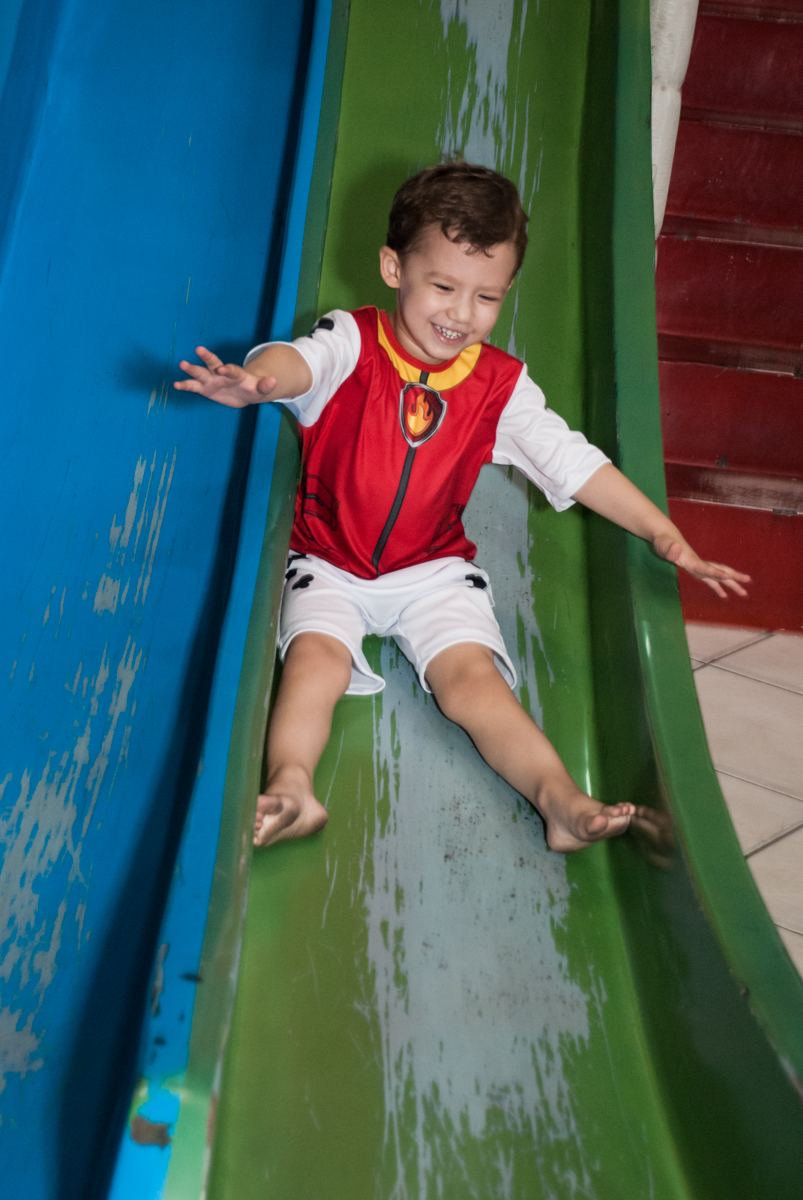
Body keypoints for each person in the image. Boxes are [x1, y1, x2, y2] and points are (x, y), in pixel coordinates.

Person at [175, 161, 749, 854]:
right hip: (327, 561)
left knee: (473, 682)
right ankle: (292, 786)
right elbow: (301, 362)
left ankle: (560, 801)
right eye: (443, 287)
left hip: (432, 570)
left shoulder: (498, 386)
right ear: (394, 268)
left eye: (486, 296)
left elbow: (573, 461)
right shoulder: (354, 342)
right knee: (314, 662)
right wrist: (260, 381)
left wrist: (660, 531)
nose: (460, 313)